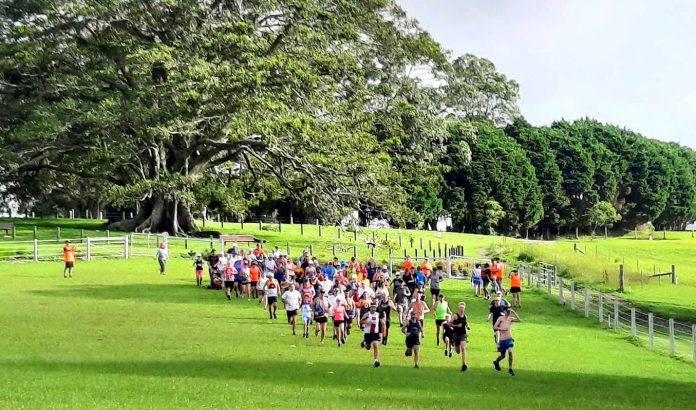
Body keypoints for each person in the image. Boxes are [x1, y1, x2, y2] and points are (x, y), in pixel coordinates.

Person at [493, 309, 521, 376]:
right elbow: (495, 327)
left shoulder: (510, 319)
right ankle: (496, 362)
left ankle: (510, 369)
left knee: (510, 352)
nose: (508, 313)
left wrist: (514, 312)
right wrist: (502, 329)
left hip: (509, 339)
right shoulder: (500, 318)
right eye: (507, 311)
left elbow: (519, 320)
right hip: (502, 340)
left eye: (509, 312)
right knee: (503, 356)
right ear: (504, 312)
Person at [360, 302, 385, 368]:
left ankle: (376, 361)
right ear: (370, 308)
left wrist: (382, 323)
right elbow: (361, 321)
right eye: (372, 307)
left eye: (374, 308)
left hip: (375, 333)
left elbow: (382, 321)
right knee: (368, 347)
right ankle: (365, 343)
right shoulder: (367, 314)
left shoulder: (378, 314)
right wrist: (367, 322)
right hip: (368, 333)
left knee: (375, 345)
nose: (373, 309)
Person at [449, 302, 470, 372]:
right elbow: (449, 324)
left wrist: (468, 326)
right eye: (461, 308)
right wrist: (456, 326)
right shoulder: (455, 316)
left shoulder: (465, 316)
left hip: (463, 334)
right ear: (458, 308)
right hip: (456, 334)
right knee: (458, 351)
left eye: (463, 308)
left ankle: (464, 364)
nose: (462, 309)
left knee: (463, 348)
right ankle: (454, 343)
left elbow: (466, 322)